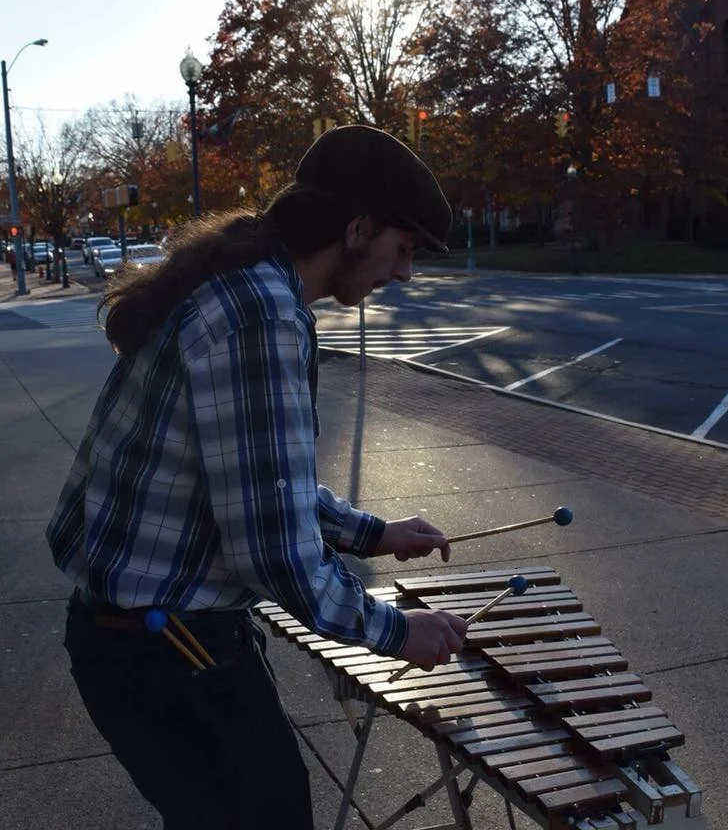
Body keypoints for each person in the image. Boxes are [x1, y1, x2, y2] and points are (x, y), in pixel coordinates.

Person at [46, 125, 468, 830]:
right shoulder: (261, 316)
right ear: (357, 229)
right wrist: (398, 631)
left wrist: (372, 534)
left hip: (143, 643)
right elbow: (273, 550)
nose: (404, 274)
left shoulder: (244, 285)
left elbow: (255, 480)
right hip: (164, 655)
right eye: (404, 249)